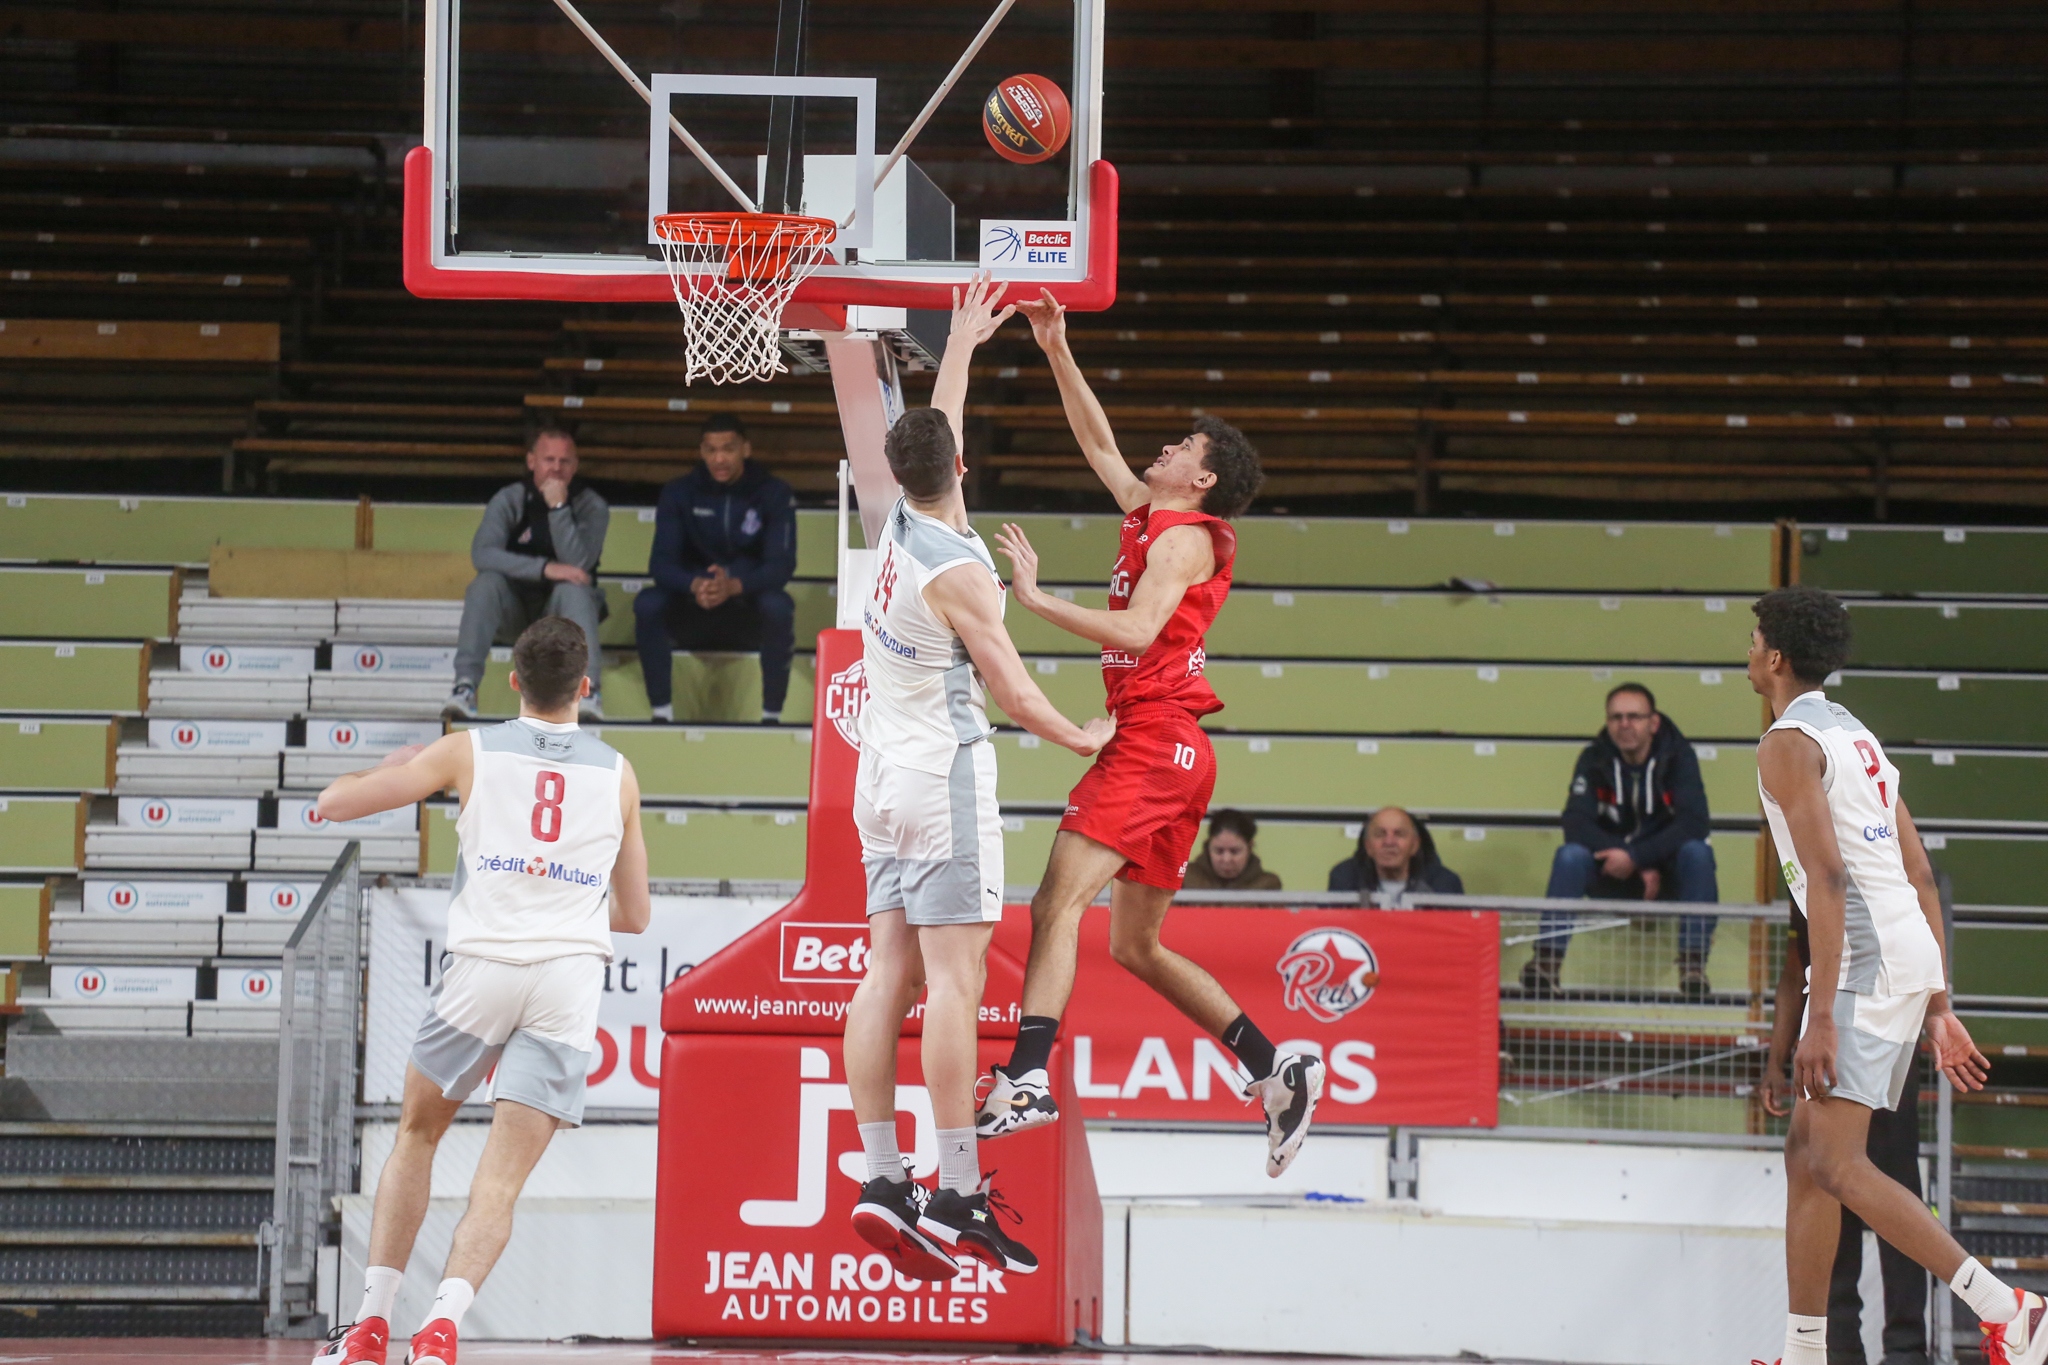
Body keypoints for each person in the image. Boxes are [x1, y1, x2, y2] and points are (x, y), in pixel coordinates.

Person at [975, 287, 1325, 1180]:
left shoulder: (1184, 541)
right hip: (1173, 747)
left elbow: (1134, 632)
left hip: (1155, 737)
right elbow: (1097, 443)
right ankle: (1270, 1064)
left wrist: (1038, 598)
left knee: (1055, 903)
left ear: (1202, 477)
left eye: (1183, 446)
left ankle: (1024, 1078)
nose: (1163, 447)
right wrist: (1054, 347)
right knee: (1133, 944)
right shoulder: (1155, 514)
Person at [842, 276, 1113, 1282]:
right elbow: (1015, 691)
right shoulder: (958, 571)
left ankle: (881, 1179)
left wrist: (956, 344)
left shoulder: (898, 524)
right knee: (953, 984)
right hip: (942, 779)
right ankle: (954, 1192)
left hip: (878, 777)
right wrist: (1080, 738)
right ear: (958, 466)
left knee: (886, 974)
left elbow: (934, 431)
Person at [314, 616, 651, 1365]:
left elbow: (334, 804)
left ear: (513, 683)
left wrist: (403, 761)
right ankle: (441, 1331)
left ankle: (371, 1326)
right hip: (566, 981)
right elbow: (633, 914)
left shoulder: (470, 748)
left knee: (417, 1134)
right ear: (584, 688)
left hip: (481, 970)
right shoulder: (618, 772)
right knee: (499, 1183)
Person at [1746, 584, 2040, 1365]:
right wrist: (1938, 1001)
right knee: (1805, 1152)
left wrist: (1823, 1016)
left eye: (1751, 642)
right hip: (1898, 953)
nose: (1746, 654)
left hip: (1862, 963)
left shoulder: (1786, 742)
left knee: (1838, 1162)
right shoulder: (1859, 737)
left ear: (1774, 656)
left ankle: (2008, 1307)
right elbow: (1917, 871)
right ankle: (1805, 1351)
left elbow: (1831, 882)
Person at [1765, 894, 1935, 1365]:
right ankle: (1834, 1347)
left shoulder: (1862, 863)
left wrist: (1940, 1011)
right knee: (1824, 1186)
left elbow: (1923, 891)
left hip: (1874, 1028)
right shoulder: (1801, 874)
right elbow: (1795, 969)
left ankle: (1906, 1347)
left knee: (1889, 1189)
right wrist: (1775, 1060)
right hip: (1826, 1041)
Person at [1524, 682, 1720, 999]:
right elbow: (1575, 821)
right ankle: (1546, 962)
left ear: (1653, 723)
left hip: (1666, 875)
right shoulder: (1593, 757)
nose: (1624, 724)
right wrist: (1631, 861)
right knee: (1570, 856)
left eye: (1634, 716)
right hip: (1612, 870)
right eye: (1616, 717)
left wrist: (1638, 857)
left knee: (1697, 853)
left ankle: (1693, 965)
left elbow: (1694, 823)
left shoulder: (1679, 757)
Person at [634, 415, 797, 725]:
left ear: (745, 449)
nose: (719, 458)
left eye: (728, 449)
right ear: (701, 451)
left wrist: (734, 585)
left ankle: (772, 714)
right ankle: (661, 712)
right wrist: (696, 584)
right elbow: (661, 564)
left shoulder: (774, 492)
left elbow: (781, 566)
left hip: (745, 607)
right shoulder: (678, 492)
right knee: (648, 603)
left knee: (779, 605)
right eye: (710, 450)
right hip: (693, 604)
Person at [445, 430, 608, 724]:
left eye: (564, 461)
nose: (556, 468)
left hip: (561, 616)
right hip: (514, 612)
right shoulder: (510, 499)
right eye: (549, 459)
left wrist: (559, 508)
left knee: (574, 590)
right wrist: (545, 568)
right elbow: (482, 554)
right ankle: (465, 687)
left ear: (575, 465)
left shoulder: (591, 506)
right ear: (532, 461)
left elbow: (580, 563)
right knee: (485, 583)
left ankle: (589, 691)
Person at [1327, 806, 1465, 905]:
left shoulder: (1443, 885)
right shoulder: (1345, 881)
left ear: (1415, 845)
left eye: (1399, 834)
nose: (1389, 842)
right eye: (1380, 834)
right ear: (1368, 846)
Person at [1181, 809, 1282, 891]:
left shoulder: (1267, 885)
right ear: (1208, 846)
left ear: (1250, 847)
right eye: (1219, 851)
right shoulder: (1184, 878)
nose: (1226, 859)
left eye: (1235, 851)